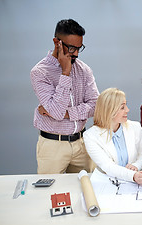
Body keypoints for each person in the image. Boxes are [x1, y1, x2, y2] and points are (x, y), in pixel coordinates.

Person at [31, 19, 99, 174]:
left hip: (81, 144)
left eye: (79, 48)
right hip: (53, 146)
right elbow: (55, 111)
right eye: (72, 48)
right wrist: (65, 73)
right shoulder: (39, 72)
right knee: (50, 193)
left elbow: (95, 106)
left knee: (87, 189)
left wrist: (67, 113)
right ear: (57, 42)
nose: (75, 53)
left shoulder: (84, 70)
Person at [83, 88, 142, 185]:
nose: (127, 110)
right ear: (109, 110)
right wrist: (132, 175)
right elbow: (108, 166)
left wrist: (136, 166)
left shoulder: (135, 127)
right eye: (122, 107)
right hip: (108, 182)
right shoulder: (90, 136)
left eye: (126, 105)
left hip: (134, 183)